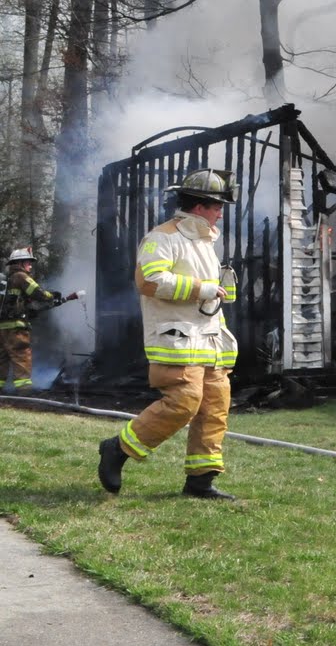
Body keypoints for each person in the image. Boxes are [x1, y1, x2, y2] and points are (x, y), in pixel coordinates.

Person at [97, 169, 240, 500]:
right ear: (200, 206)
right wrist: (201, 288)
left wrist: (219, 289)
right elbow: (150, 281)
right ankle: (117, 449)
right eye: (217, 206)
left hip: (209, 340)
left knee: (214, 406)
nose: (220, 213)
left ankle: (201, 481)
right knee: (183, 403)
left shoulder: (203, 241)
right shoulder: (162, 238)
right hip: (176, 339)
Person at [1, 247, 68, 391]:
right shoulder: (20, 276)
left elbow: (15, 302)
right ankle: (24, 391)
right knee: (21, 355)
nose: (30, 266)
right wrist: (52, 295)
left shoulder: (8, 279)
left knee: (2, 359)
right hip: (16, 328)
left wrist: (30, 310)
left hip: (2, 327)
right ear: (20, 263)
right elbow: (37, 292)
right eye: (28, 262)